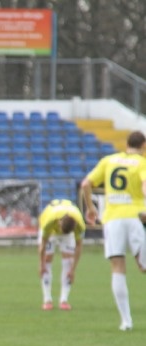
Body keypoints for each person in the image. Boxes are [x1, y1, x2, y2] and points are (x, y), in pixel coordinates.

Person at [81, 130, 146, 331]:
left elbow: (85, 184)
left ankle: (126, 321)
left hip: (112, 219)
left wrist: (91, 209)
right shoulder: (142, 163)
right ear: (143, 146)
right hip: (135, 217)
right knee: (143, 266)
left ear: (127, 144)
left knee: (118, 267)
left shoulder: (109, 161)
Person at [38, 199, 86, 311]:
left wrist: (73, 269)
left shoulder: (79, 224)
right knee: (47, 260)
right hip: (50, 232)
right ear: (59, 223)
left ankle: (64, 300)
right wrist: (41, 264)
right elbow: (42, 246)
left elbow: (79, 246)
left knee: (69, 261)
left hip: (67, 230)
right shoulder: (49, 221)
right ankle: (47, 300)